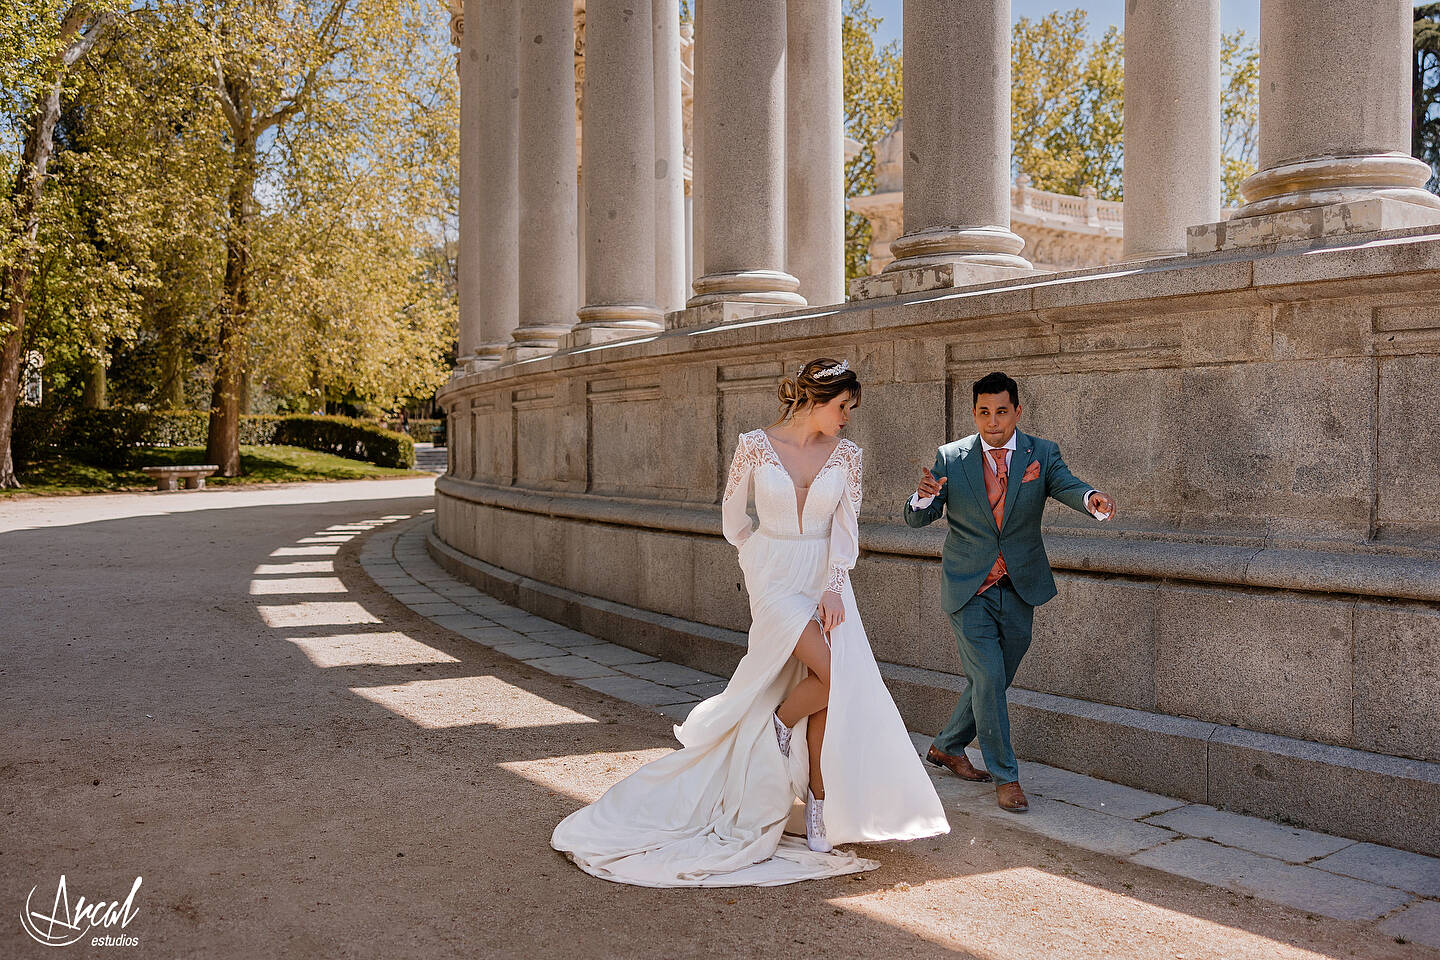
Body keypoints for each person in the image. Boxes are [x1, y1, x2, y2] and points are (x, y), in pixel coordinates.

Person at [552, 358, 949, 887]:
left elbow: (845, 529)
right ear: (814, 400)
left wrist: (833, 585)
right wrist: (760, 564)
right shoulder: (754, 445)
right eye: (842, 407)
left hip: (827, 582)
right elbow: (734, 520)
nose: (847, 418)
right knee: (834, 678)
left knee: (835, 684)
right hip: (776, 579)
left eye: (850, 409)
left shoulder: (848, 456)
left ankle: (819, 807)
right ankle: (780, 723)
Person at [903, 371, 1115, 814]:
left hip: (1019, 583)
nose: (992, 421)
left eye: (1001, 411)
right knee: (990, 677)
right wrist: (921, 498)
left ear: (1017, 411)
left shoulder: (1042, 453)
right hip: (968, 586)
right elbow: (920, 518)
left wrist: (1090, 498)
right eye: (983, 412)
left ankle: (946, 746)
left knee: (992, 678)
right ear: (974, 413)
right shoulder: (952, 457)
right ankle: (1006, 777)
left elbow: (1068, 486)